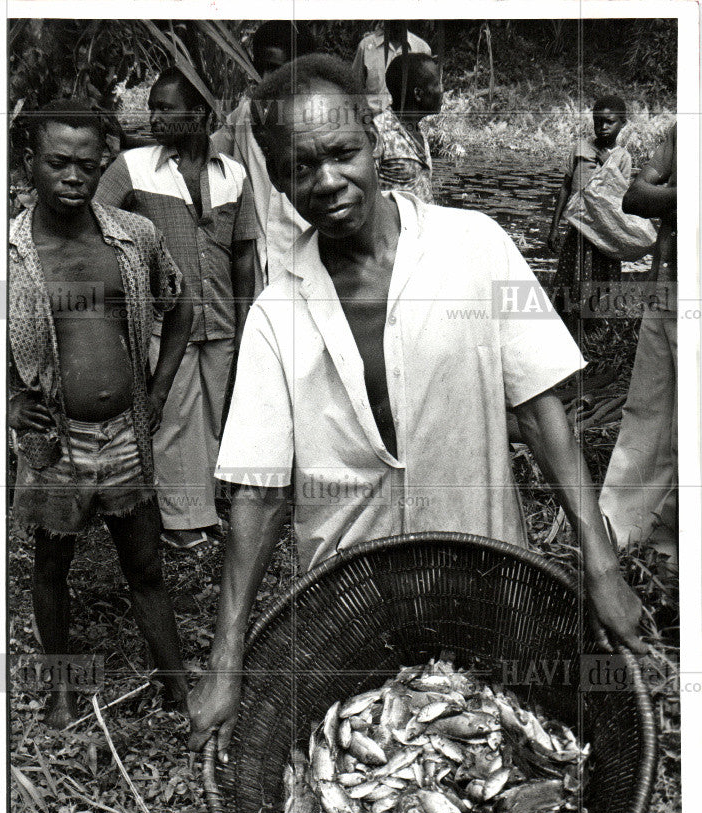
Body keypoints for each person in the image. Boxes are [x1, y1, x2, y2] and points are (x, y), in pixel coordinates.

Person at [186, 55, 646, 758]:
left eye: (341, 153)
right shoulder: (275, 316)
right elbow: (256, 494)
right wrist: (227, 656)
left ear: (374, 140)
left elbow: (537, 410)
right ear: (277, 181)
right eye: (301, 168)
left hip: (484, 577)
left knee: (492, 751)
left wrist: (601, 564)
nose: (327, 181)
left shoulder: (476, 247)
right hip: (352, 604)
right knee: (372, 770)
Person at [8, 100, 193, 727]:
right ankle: (63, 690)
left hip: (124, 434)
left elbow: (182, 305)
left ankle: (175, 685)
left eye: (87, 165)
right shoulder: (9, 252)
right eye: (58, 163)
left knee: (144, 565)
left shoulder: (131, 236)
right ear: (29, 162)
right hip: (55, 441)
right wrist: (11, 400)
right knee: (52, 565)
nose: (73, 177)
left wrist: (160, 389)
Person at [96, 68, 258, 550]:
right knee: (169, 413)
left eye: (166, 108)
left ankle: (199, 510)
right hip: (165, 321)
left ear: (200, 114)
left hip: (222, 319)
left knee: (211, 415)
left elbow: (244, 253)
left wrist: (249, 319)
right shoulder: (132, 167)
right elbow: (95, 222)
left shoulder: (232, 174)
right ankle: (177, 520)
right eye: (153, 108)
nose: (154, 117)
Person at [599, 122, 677, 567]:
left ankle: (675, 546)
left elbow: (651, 194)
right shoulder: (683, 129)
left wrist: (667, 197)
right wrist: (682, 198)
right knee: (645, 411)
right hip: (664, 289)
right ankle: (621, 534)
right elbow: (634, 197)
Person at [210, 20, 316, 290]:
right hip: (260, 266)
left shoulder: (320, 120)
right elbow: (206, 151)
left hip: (310, 256)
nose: (268, 80)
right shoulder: (245, 116)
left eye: (277, 69)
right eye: (263, 69)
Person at [547, 95, 632, 332]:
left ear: (622, 123)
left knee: (600, 289)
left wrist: (608, 166)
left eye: (609, 122)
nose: (602, 127)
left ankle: (595, 334)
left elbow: (620, 198)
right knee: (567, 286)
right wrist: (554, 227)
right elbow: (565, 187)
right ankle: (564, 332)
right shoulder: (581, 148)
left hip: (604, 235)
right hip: (578, 230)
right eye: (598, 122)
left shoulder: (622, 158)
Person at [373, 52, 442, 204]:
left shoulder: (417, 131)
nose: (441, 91)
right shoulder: (378, 133)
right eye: (437, 84)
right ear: (418, 93)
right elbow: (365, 194)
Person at [352, 21, 431, 115]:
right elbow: (355, 85)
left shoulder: (422, 50)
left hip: (405, 124)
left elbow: (426, 94)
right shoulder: (366, 46)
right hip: (370, 122)